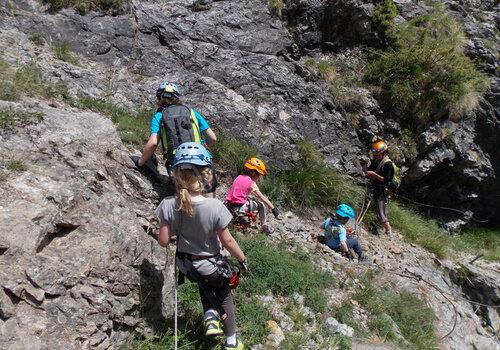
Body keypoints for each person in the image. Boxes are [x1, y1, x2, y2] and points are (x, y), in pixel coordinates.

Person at [156, 142, 247, 350]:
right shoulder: (215, 206)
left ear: (177, 175)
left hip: (186, 264)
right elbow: (228, 241)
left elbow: (163, 241)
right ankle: (232, 341)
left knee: (204, 282)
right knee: (223, 294)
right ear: (206, 176)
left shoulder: (169, 204)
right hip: (210, 263)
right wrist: (242, 259)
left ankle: (209, 316)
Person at [133, 82, 218, 195]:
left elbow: (153, 143)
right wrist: (204, 145)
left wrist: (140, 162)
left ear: (160, 97)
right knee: (205, 192)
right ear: (176, 97)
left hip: (178, 160)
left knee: (185, 195)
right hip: (201, 158)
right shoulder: (191, 112)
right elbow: (213, 138)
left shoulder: (159, 116)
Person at [225, 157, 280, 234]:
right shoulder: (251, 183)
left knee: (247, 200)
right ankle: (264, 226)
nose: (259, 177)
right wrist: (273, 208)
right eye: (259, 175)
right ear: (254, 173)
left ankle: (238, 219)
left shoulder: (239, 177)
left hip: (229, 206)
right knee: (261, 204)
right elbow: (262, 198)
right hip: (238, 208)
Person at [364, 140, 394, 235]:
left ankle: (388, 230)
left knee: (381, 212)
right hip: (374, 187)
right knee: (372, 206)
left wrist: (374, 174)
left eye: (377, 154)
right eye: (375, 154)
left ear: (383, 152)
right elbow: (371, 169)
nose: (375, 156)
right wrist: (366, 169)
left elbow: (387, 180)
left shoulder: (388, 164)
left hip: (381, 190)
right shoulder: (376, 160)